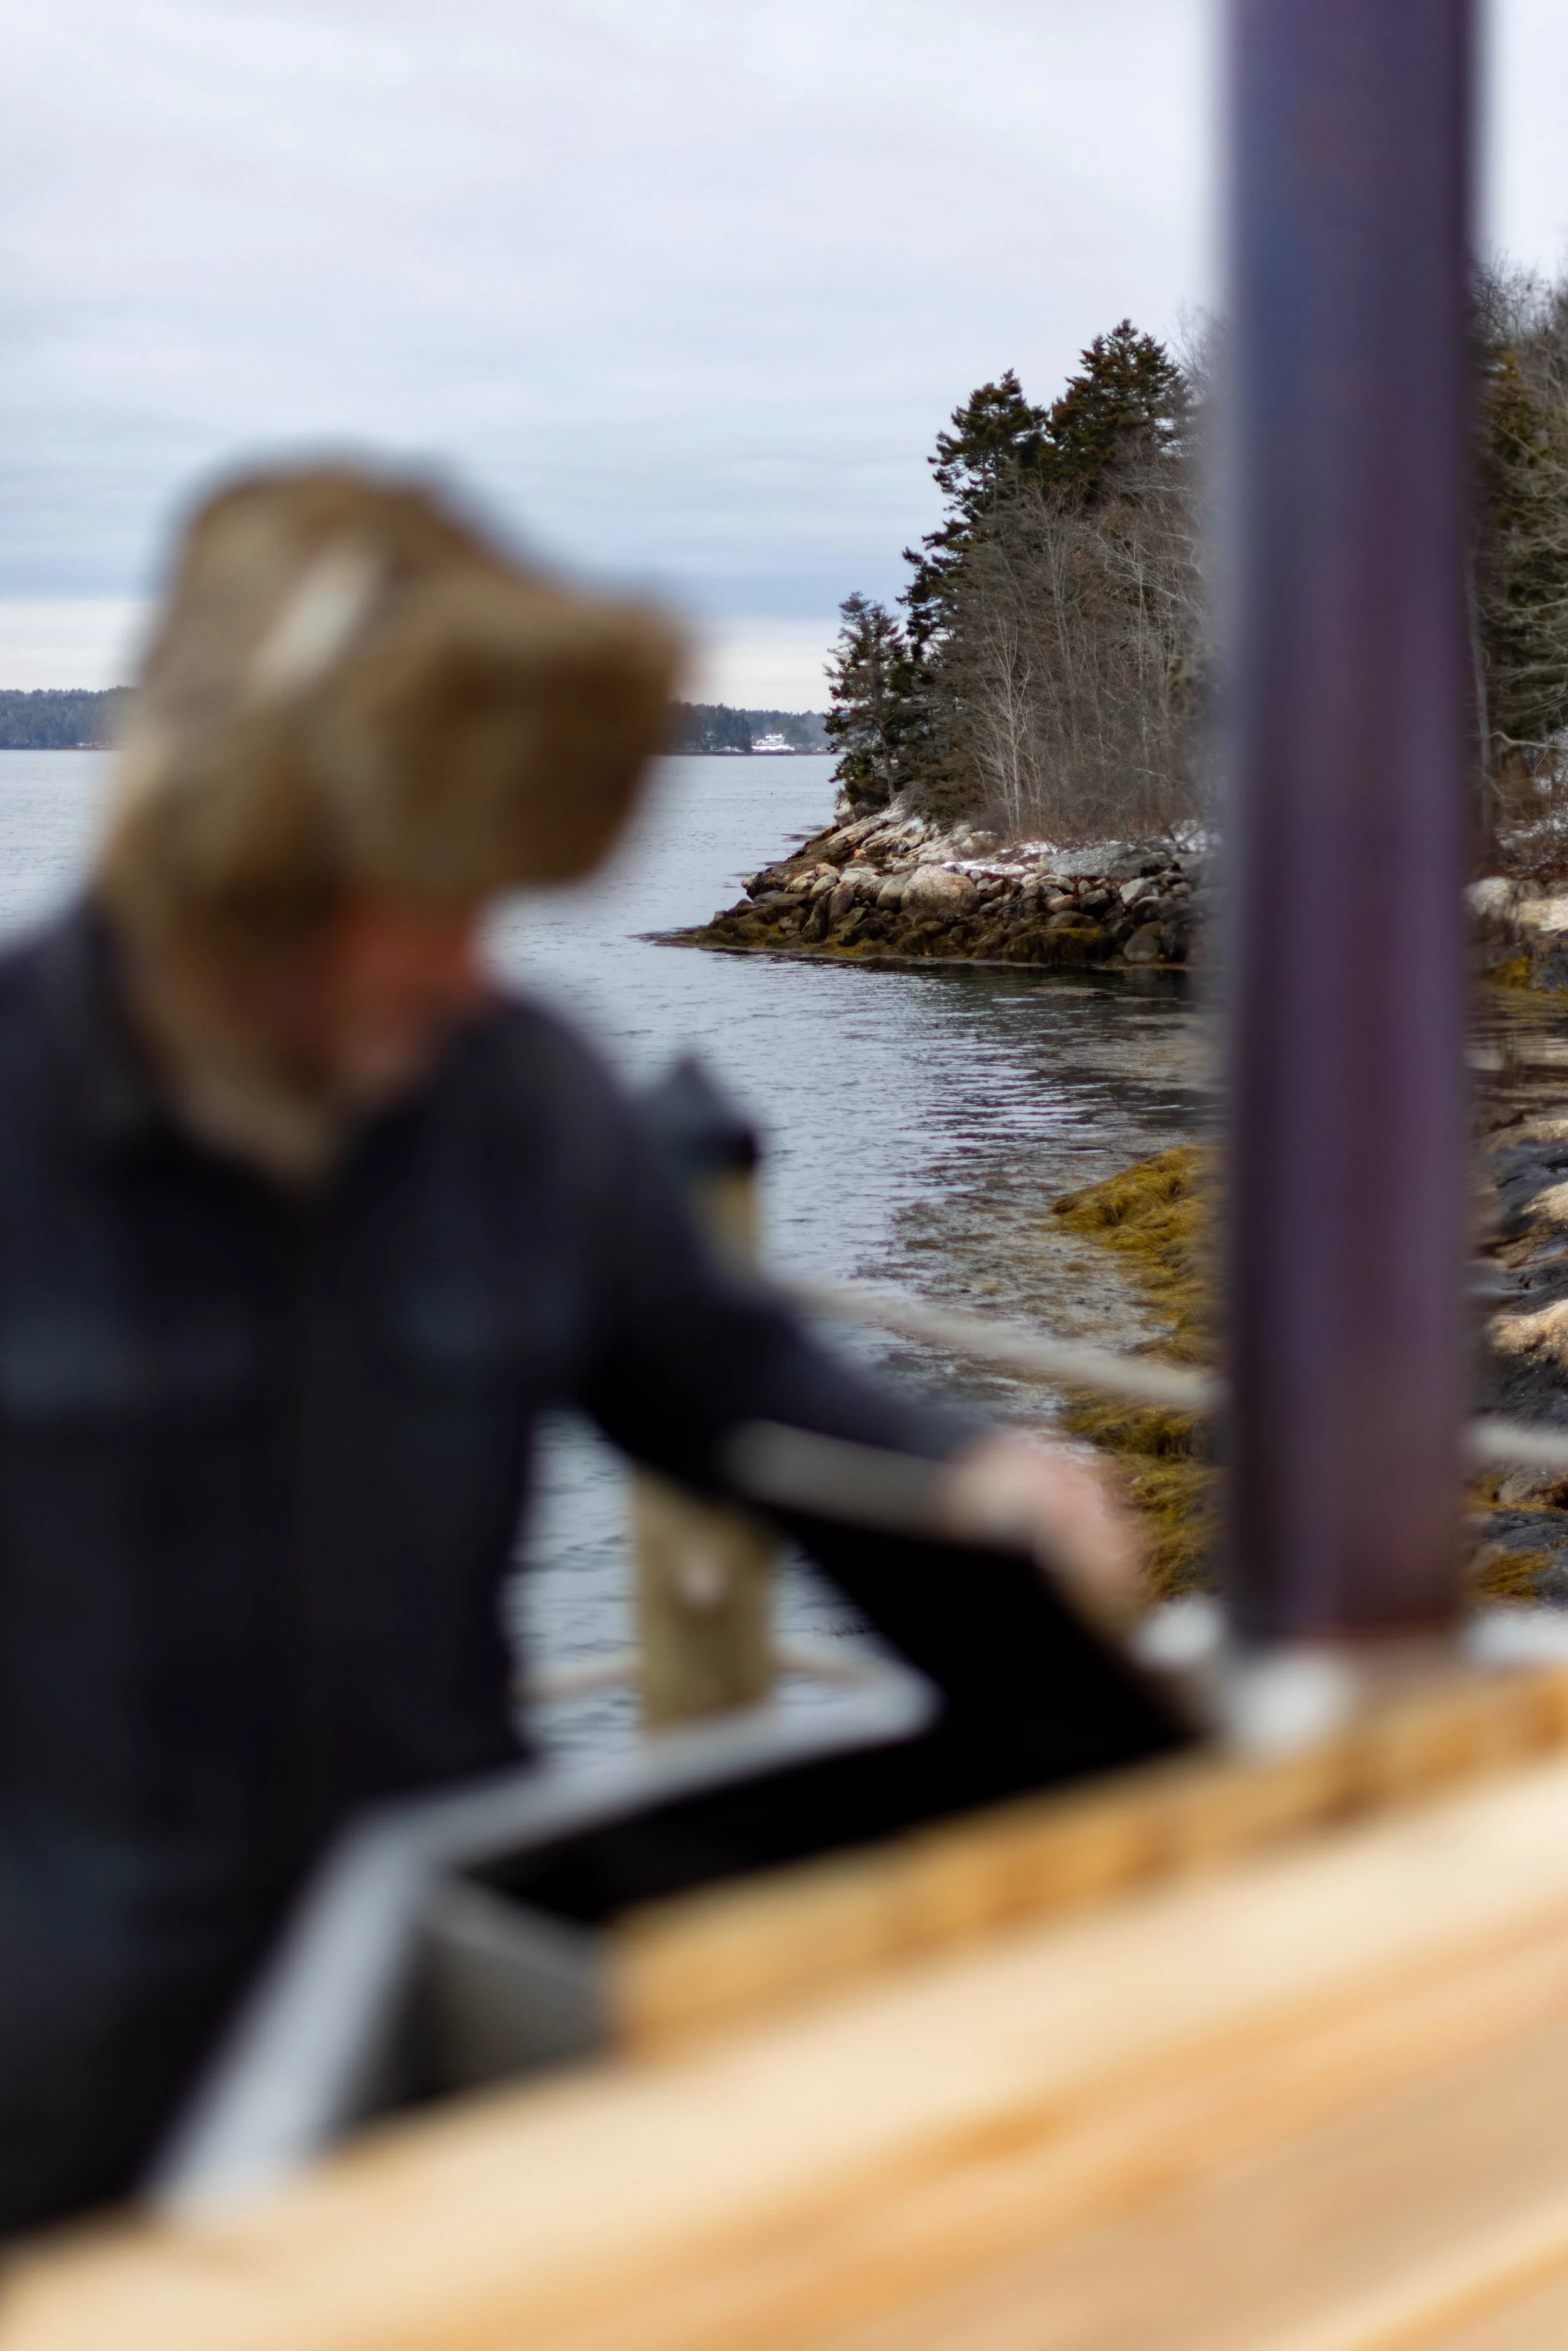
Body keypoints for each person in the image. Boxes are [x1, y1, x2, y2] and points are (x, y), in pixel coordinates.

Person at [0, 467, 1139, 2235]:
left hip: (475, 2033)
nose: (478, 967)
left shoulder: (518, 1101)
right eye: (429, 897)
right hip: (69, 2136)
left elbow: (730, 1375)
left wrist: (973, 1475)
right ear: (245, 854)